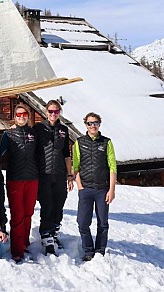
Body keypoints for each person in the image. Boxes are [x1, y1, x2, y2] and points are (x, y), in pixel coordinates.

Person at [73, 112, 117, 261]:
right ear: (85, 124)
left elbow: (112, 167)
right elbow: (75, 166)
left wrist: (111, 189)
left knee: (103, 222)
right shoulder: (79, 142)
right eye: (90, 123)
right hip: (85, 189)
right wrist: (80, 186)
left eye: (95, 123)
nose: (93, 125)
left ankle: (100, 250)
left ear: (99, 124)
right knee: (82, 222)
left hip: (102, 189)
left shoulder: (106, 142)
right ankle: (88, 250)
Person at [35, 99, 74, 254]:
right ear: (46, 112)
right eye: (50, 111)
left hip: (59, 174)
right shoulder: (38, 128)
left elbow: (66, 153)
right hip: (43, 174)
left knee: (59, 203)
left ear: (59, 113)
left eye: (56, 112)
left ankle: (54, 231)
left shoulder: (64, 130)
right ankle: (46, 235)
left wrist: (70, 174)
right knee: (47, 204)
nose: (53, 114)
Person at [1, 103, 38, 263]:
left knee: (28, 213)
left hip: (32, 178)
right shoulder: (8, 135)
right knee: (17, 215)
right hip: (15, 179)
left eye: (24, 115)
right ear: (14, 117)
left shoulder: (34, 133)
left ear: (28, 116)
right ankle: (16, 249)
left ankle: (24, 242)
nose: (22, 117)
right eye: (19, 115)